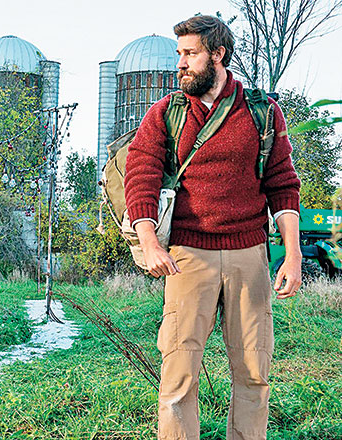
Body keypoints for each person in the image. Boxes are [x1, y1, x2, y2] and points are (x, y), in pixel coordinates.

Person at [124, 15, 302, 440]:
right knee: (178, 375)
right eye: (179, 53)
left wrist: (293, 254)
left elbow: (282, 184)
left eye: (190, 53)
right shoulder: (166, 113)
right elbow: (140, 176)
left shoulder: (262, 112)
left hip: (249, 255)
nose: (180, 63)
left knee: (255, 373)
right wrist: (150, 243)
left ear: (218, 54)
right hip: (187, 256)